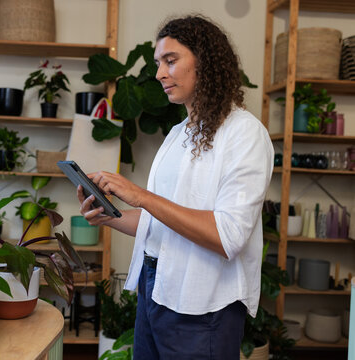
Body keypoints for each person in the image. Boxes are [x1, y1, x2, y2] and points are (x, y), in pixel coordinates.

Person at [76, 15, 274, 359]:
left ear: (206, 62)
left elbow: (228, 236)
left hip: (204, 307)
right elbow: (160, 225)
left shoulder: (245, 134)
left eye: (171, 60)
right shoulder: (178, 134)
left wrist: (141, 196)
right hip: (154, 290)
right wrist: (110, 216)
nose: (159, 73)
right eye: (158, 63)